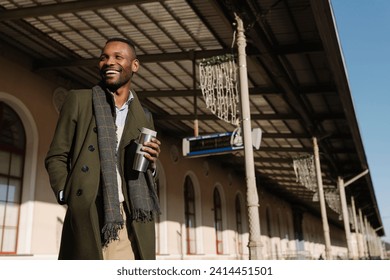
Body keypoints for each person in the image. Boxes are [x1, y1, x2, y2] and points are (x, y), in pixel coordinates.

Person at [45, 38, 161, 260]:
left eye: (118, 57)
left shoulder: (144, 116)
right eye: (104, 57)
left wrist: (152, 162)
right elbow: (56, 156)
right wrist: (67, 194)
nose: (109, 62)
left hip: (132, 218)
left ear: (134, 65)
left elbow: (145, 171)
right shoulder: (79, 100)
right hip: (89, 213)